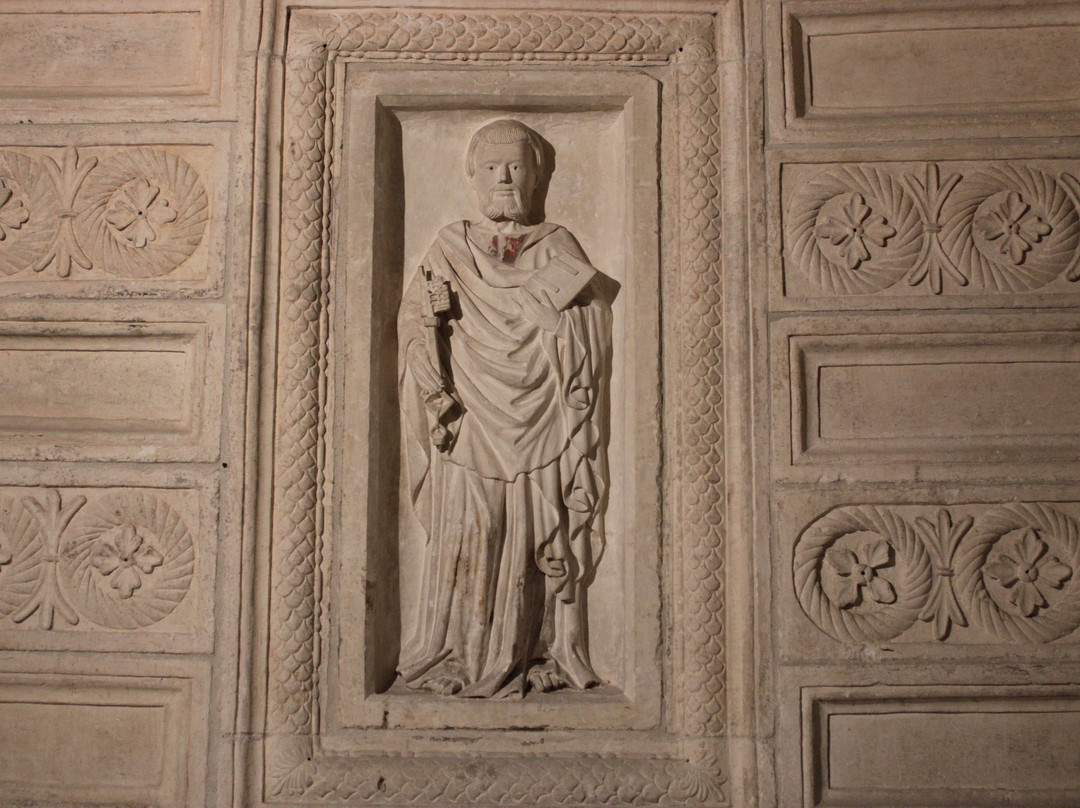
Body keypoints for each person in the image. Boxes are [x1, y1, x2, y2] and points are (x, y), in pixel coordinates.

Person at [396, 119, 611, 697]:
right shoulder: (450, 244)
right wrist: (428, 323)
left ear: (536, 175)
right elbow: (413, 328)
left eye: (516, 166)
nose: (505, 179)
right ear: (473, 176)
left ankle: (535, 649)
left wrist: (560, 325)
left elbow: (594, 321)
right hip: (471, 413)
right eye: (492, 168)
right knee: (475, 527)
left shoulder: (558, 244)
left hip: (542, 415)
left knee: (534, 528)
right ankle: (458, 653)